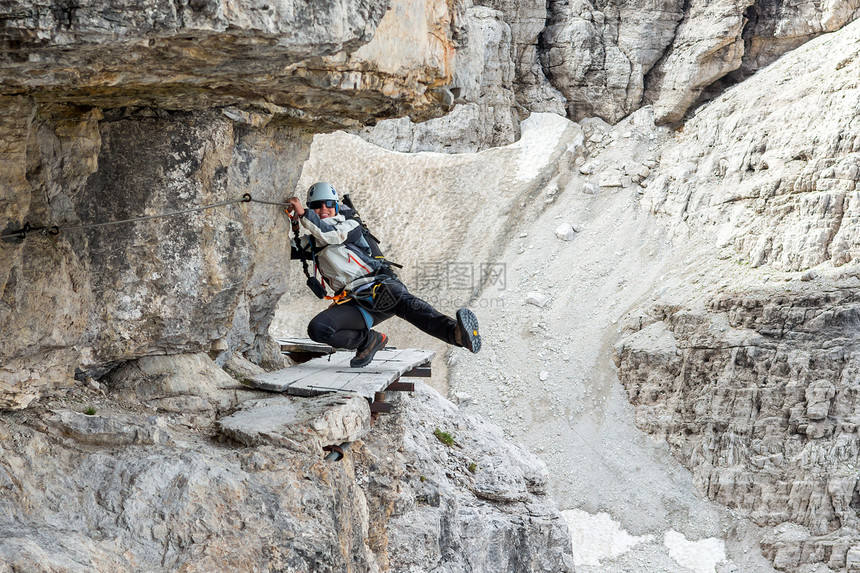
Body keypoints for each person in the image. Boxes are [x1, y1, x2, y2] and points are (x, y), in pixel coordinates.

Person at [288, 182, 481, 368]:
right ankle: (369, 341)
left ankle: (454, 333)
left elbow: (331, 235)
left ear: (337, 206)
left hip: (378, 286)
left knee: (407, 304)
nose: (324, 208)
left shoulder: (350, 226)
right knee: (318, 329)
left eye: (329, 203)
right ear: (311, 208)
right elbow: (283, 249)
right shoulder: (311, 243)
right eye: (317, 205)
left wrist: (304, 214)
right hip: (356, 303)